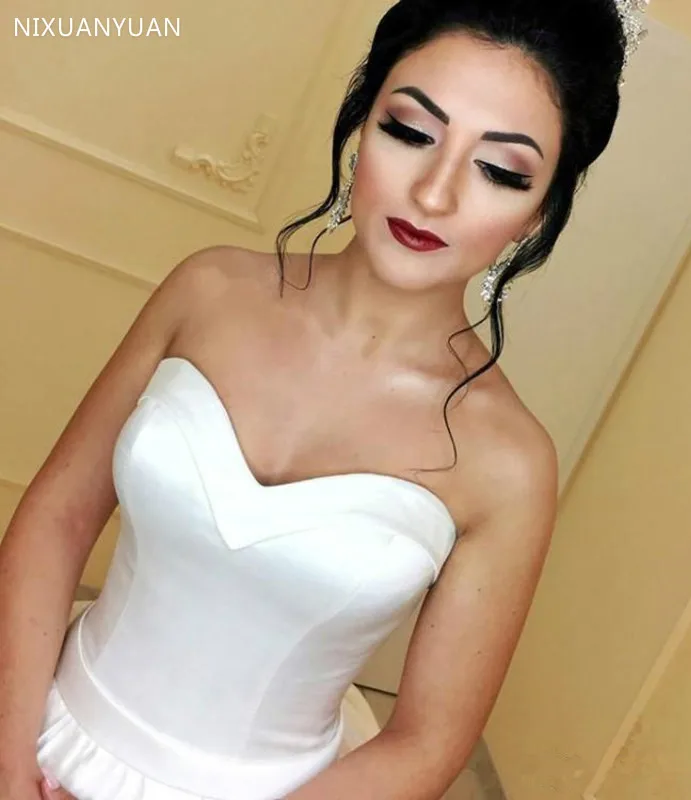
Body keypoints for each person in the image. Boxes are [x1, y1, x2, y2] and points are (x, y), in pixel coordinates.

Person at [0, 0, 644, 798]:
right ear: (363, 123)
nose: (435, 193)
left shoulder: (509, 463)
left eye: (500, 171)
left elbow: (429, 741)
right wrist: (12, 761)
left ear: (537, 212)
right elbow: (57, 518)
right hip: (36, 722)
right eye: (411, 131)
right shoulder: (207, 290)